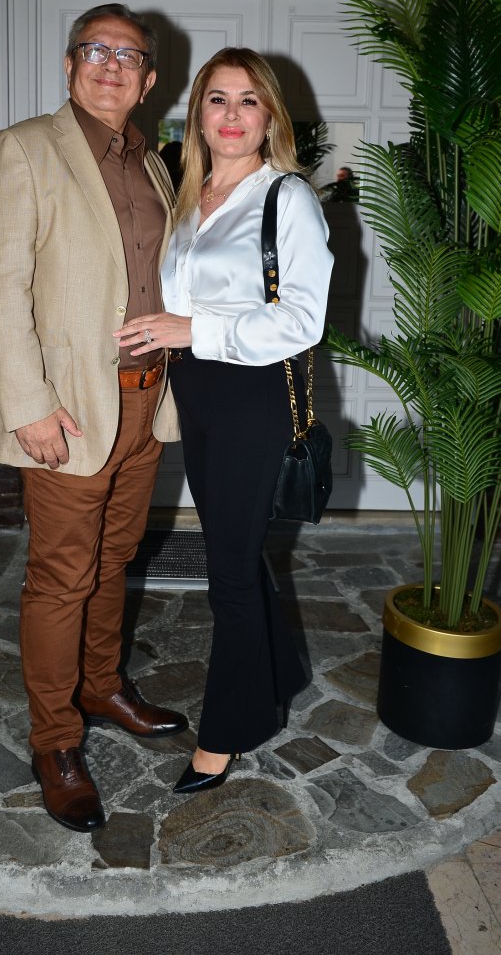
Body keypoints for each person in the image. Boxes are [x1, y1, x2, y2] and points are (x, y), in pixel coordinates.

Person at [0, 3, 188, 833]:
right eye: (95, 50)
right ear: (69, 65)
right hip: (66, 411)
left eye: (128, 56)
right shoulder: (25, 148)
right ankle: (55, 741)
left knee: (116, 557)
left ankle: (101, 686)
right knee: (62, 577)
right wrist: (27, 405)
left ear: (149, 80)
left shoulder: (156, 164)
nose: (110, 65)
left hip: (145, 402)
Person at [115, 48, 333, 793]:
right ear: (198, 114)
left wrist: (192, 330)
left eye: (248, 100)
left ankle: (229, 731)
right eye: (217, 99)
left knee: (230, 572)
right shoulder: (187, 192)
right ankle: (282, 671)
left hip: (251, 395)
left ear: (270, 117)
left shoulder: (287, 199)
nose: (232, 115)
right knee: (231, 548)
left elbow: (301, 322)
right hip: (199, 392)